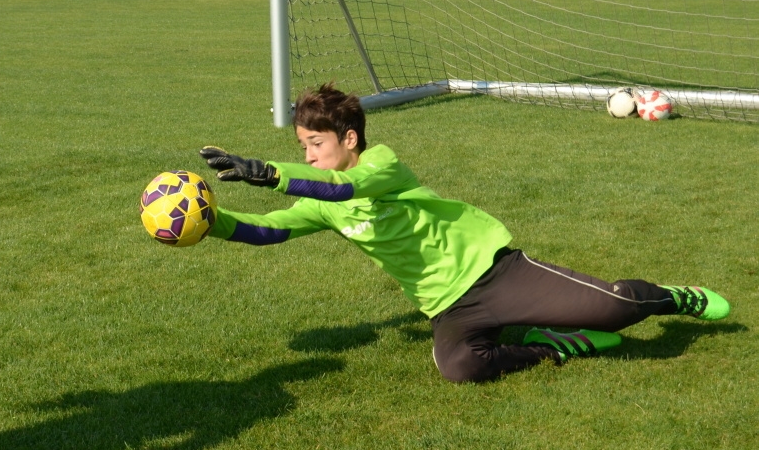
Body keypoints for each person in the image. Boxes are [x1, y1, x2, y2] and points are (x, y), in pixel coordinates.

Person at [198, 83, 729, 384]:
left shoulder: (382, 165)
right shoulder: (319, 203)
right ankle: (555, 346)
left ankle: (674, 298)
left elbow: (345, 188)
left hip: (496, 273)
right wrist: (209, 224)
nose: (308, 155)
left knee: (618, 308)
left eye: (314, 143)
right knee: (460, 367)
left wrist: (271, 173)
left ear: (349, 137)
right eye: (302, 147)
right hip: (449, 307)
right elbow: (266, 231)